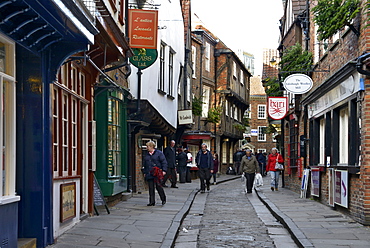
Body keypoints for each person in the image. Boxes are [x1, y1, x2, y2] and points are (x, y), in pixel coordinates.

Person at [142, 141, 167, 206]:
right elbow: (144, 164)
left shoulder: (159, 153)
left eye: (147, 146)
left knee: (159, 187)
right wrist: (145, 172)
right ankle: (152, 202)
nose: (146, 148)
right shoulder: (146, 154)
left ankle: (163, 199)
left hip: (157, 173)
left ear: (151, 146)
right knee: (151, 188)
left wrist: (164, 170)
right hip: (149, 173)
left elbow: (164, 162)